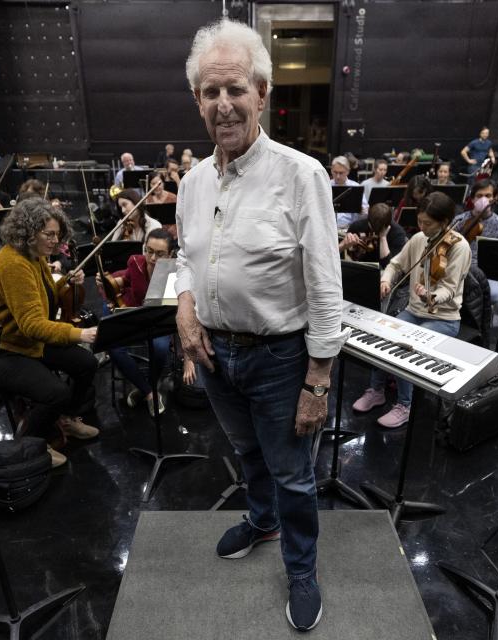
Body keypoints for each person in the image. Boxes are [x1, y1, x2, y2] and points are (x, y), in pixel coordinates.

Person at [177, 19, 346, 631]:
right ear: (197, 100)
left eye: (236, 90)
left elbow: (327, 285)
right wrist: (184, 303)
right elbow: (186, 260)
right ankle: (261, 519)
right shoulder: (193, 182)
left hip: (282, 359)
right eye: (211, 92)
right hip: (218, 355)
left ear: (262, 94)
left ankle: (302, 567)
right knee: (248, 452)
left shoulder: (302, 175)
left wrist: (318, 379)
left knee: (294, 476)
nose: (224, 105)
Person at [0, 198, 99, 468]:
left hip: (25, 340)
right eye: (49, 234)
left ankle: (65, 420)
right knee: (56, 392)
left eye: (57, 234)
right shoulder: (13, 264)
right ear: (27, 233)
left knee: (87, 364)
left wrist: (66, 282)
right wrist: (81, 334)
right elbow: (32, 323)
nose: (56, 241)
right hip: (1, 348)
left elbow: (44, 297)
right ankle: (31, 444)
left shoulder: (35, 255)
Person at [353, 192, 471, 428]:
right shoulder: (419, 239)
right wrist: (386, 279)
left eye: (427, 223)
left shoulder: (459, 247)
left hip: (444, 318)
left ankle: (404, 406)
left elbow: (449, 287)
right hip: (414, 311)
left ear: (445, 221)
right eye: (420, 221)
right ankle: (376, 391)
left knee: (406, 347)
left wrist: (431, 296)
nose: (422, 227)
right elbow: (396, 263)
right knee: (382, 335)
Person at [98, 228, 173, 415]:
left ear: (170, 254)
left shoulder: (174, 271)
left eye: (160, 254)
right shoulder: (135, 262)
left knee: (161, 348)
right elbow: (126, 280)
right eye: (149, 251)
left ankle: (143, 389)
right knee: (113, 344)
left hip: (158, 319)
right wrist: (108, 282)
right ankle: (149, 393)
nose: (153, 258)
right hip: (133, 313)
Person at [453, 179, 498, 303]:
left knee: (494, 294)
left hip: (486, 270)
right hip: (459, 264)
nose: (483, 199)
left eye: (488, 195)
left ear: (494, 198)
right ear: (472, 199)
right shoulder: (460, 220)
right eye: (479, 196)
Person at [339, 202, 406, 269]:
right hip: (359, 269)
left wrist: (383, 237)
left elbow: (389, 267)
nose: (375, 232)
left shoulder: (398, 233)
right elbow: (347, 258)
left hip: (382, 273)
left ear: (387, 226)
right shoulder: (357, 226)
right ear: (368, 220)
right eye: (372, 228)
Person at [330, 155, 365, 227]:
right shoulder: (326, 185)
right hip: (329, 227)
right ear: (331, 170)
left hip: (350, 228)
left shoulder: (356, 187)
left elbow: (365, 213)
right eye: (335, 172)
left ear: (348, 171)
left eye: (341, 173)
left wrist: (363, 211)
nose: (338, 176)